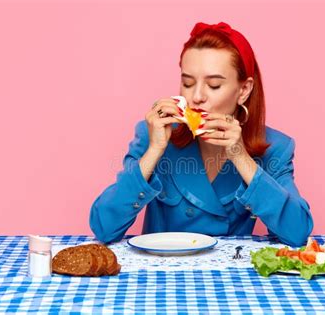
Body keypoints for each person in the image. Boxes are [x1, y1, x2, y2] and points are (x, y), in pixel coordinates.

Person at [89, 22, 313, 247]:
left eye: (214, 85)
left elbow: (297, 233)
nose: (196, 96)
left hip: (232, 277)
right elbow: (103, 228)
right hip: (162, 274)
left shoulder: (275, 147)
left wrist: (241, 157)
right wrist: (154, 150)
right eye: (187, 83)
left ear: (243, 90)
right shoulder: (153, 134)